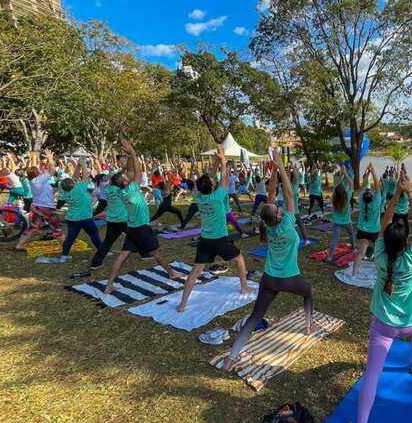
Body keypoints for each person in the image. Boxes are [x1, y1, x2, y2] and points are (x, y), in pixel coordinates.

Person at [343, 169, 412, 423]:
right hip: (411, 323)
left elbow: (385, 221)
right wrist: (409, 193)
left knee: (371, 377)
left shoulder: (379, 253)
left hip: (383, 327)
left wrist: (396, 195)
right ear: (405, 243)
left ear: (386, 242)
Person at [222, 149, 313, 370]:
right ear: (279, 215)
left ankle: (231, 358)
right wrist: (280, 165)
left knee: (255, 317)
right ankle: (309, 326)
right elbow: (289, 194)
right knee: (309, 292)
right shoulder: (288, 222)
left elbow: (272, 196)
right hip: (290, 278)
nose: (280, 206)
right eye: (279, 208)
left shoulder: (268, 226)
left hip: (270, 279)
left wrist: (273, 169)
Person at [177, 144, 254, 313]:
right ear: (212, 187)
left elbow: (210, 177)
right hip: (219, 239)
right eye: (212, 181)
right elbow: (225, 178)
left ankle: (182, 304)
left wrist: (217, 161)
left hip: (205, 240)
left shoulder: (198, 196)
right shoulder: (218, 196)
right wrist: (223, 161)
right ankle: (244, 287)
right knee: (239, 259)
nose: (214, 180)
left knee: (195, 271)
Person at [104, 140, 184, 294]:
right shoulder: (133, 188)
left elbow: (126, 174)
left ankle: (109, 285)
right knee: (156, 254)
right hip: (141, 228)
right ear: (126, 181)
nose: (127, 175)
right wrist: (132, 152)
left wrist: (127, 157)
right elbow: (139, 170)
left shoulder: (119, 191)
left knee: (122, 257)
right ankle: (172, 273)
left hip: (132, 228)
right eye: (126, 176)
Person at [14, 150, 64, 250]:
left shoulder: (34, 181)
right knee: (56, 227)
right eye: (38, 170)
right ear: (36, 173)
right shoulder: (39, 179)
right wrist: (50, 158)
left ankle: (19, 245)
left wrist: (57, 188)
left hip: (37, 207)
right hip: (46, 208)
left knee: (33, 228)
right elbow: (53, 170)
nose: (40, 170)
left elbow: (49, 191)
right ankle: (66, 245)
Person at [90, 155, 132, 270]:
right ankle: (146, 253)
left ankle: (96, 262)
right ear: (122, 183)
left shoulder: (108, 188)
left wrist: (122, 169)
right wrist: (127, 163)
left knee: (107, 242)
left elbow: (116, 178)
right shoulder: (123, 191)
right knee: (137, 235)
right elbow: (129, 177)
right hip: (123, 219)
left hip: (112, 220)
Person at [57, 157, 103, 263]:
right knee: (94, 234)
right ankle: (102, 251)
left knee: (70, 238)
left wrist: (77, 167)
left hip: (72, 219)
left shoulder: (64, 193)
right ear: (72, 184)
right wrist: (83, 165)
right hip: (85, 218)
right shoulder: (79, 188)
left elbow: (74, 178)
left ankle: (64, 256)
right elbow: (85, 178)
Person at [352, 163, 382, 276]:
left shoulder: (361, 201)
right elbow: (378, 187)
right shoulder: (377, 202)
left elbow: (363, 187)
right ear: (372, 196)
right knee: (378, 254)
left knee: (360, 253)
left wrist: (367, 174)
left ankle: (354, 273)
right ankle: (379, 274)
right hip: (374, 232)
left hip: (362, 231)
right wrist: (373, 172)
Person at [327, 165, 356, 262]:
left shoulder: (334, 197)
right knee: (352, 234)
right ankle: (353, 248)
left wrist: (342, 175)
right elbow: (351, 183)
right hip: (346, 221)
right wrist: (345, 173)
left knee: (335, 239)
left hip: (336, 222)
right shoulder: (347, 195)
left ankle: (330, 257)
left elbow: (337, 186)